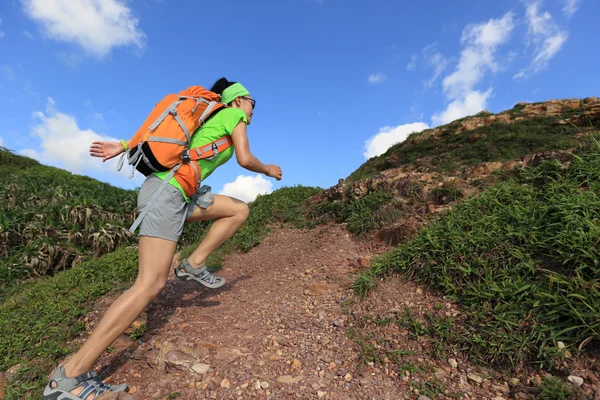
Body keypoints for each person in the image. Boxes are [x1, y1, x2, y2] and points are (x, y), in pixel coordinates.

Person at [43, 78, 282, 400]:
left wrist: (124, 145)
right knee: (149, 284)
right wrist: (268, 169)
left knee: (238, 210)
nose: (254, 110)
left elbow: (172, 139)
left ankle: (193, 264)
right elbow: (244, 158)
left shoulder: (211, 116)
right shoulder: (232, 114)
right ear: (240, 100)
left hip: (182, 193)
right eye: (254, 102)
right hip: (167, 193)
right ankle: (68, 379)